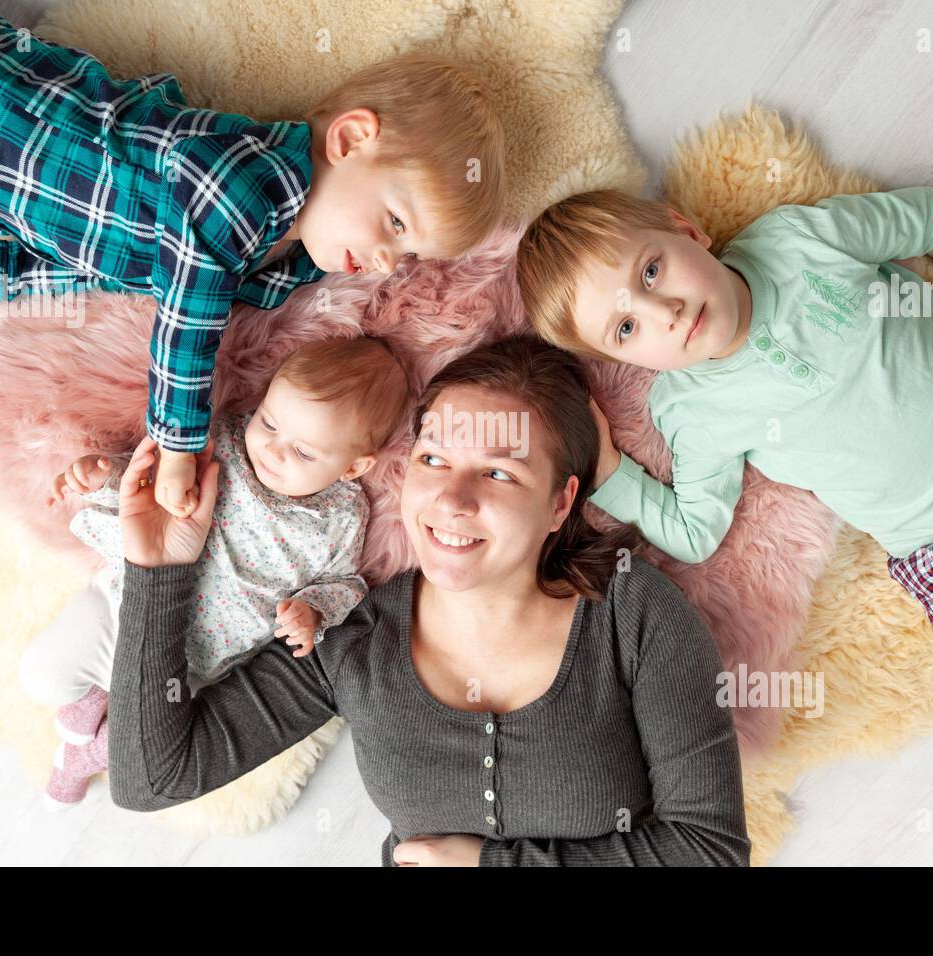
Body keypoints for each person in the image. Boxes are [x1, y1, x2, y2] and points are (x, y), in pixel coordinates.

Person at [516, 186, 933, 780]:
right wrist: (610, 473)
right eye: (626, 329)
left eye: (651, 272)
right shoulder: (693, 411)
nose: (664, 312)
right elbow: (694, 531)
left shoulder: (798, 241)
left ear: (686, 231)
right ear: (629, 362)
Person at [0, 0, 506, 516]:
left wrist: (3, 274)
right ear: (352, 138)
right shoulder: (239, 182)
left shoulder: (274, 258)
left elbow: (120, 264)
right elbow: (182, 323)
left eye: (407, 251)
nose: (388, 260)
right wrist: (180, 447)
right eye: (394, 222)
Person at [105, 336, 751, 866]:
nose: (453, 499)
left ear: (560, 502)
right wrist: (159, 569)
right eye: (434, 458)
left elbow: (710, 851)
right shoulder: (351, 638)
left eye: (499, 473)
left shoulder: (632, 615)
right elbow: (153, 778)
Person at [18, 336, 410, 809]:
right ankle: (86, 705)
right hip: (123, 602)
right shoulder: (225, 442)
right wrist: (102, 477)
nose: (274, 450)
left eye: (304, 453)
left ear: (353, 467)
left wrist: (312, 611)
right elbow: (156, 491)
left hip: (200, 659)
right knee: (41, 677)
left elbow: (345, 583)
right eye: (269, 422)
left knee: (145, 743)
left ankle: (80, 759)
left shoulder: (341, 518)